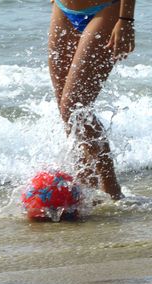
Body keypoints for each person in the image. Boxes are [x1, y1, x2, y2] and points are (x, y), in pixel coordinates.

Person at [48, 0, 135, 200]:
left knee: (74, 107)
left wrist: (126, 20)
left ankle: (113, 192)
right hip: (62, 9)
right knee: (67, 111)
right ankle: (85, 189)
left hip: (107, 9)